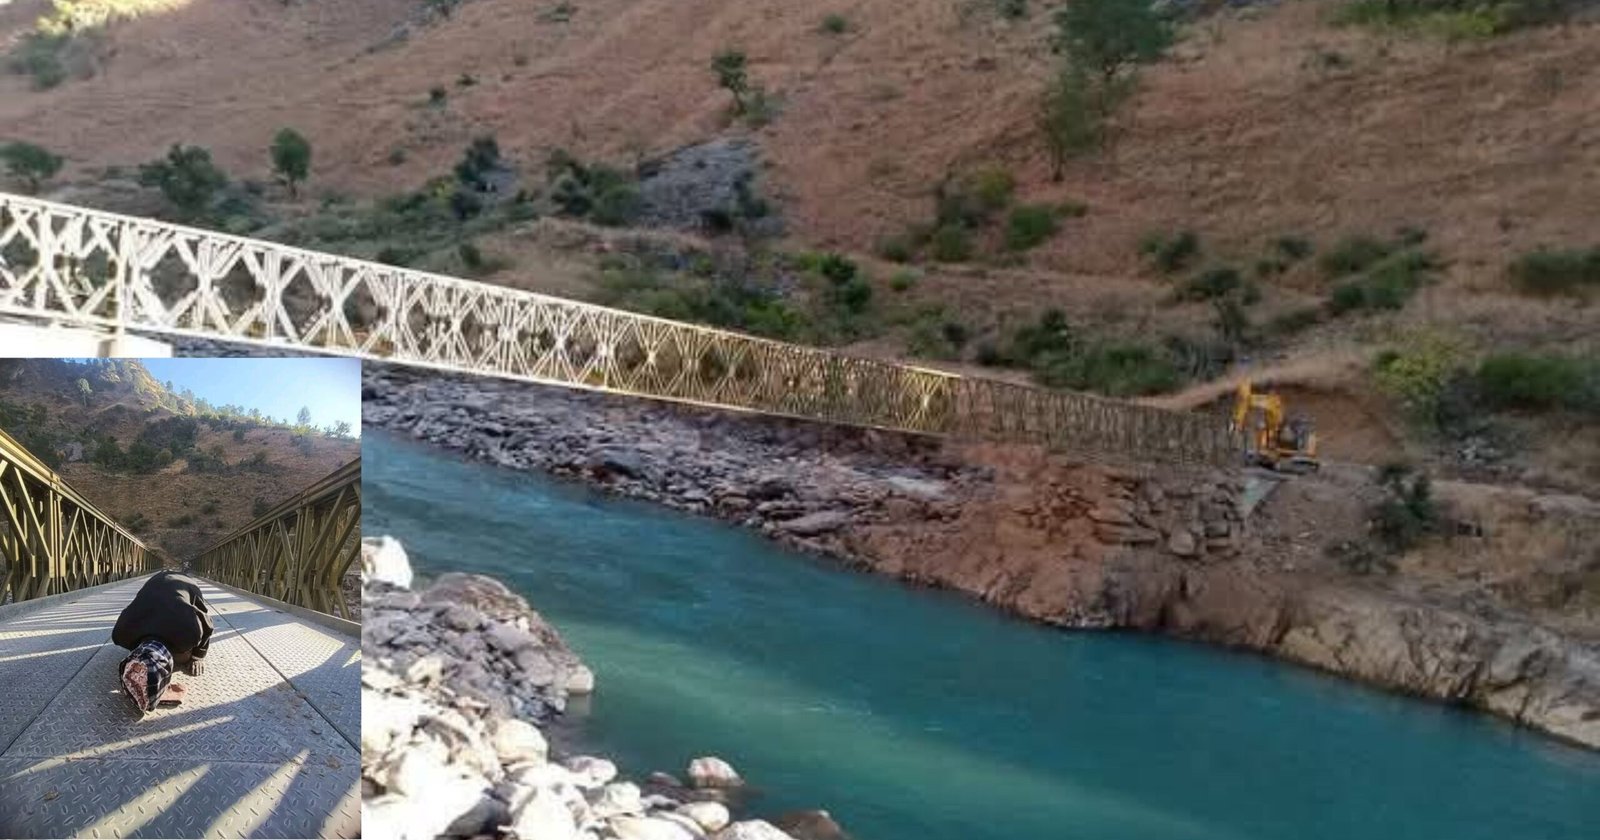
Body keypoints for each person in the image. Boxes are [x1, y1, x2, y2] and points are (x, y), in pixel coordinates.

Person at [112, 569, 214, 713]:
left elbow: (208, 624)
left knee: (185, 658)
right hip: (156, 582)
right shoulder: (121, 634)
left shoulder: (190, 632)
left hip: (185, 583)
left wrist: (198, 656)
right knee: (183, 657)